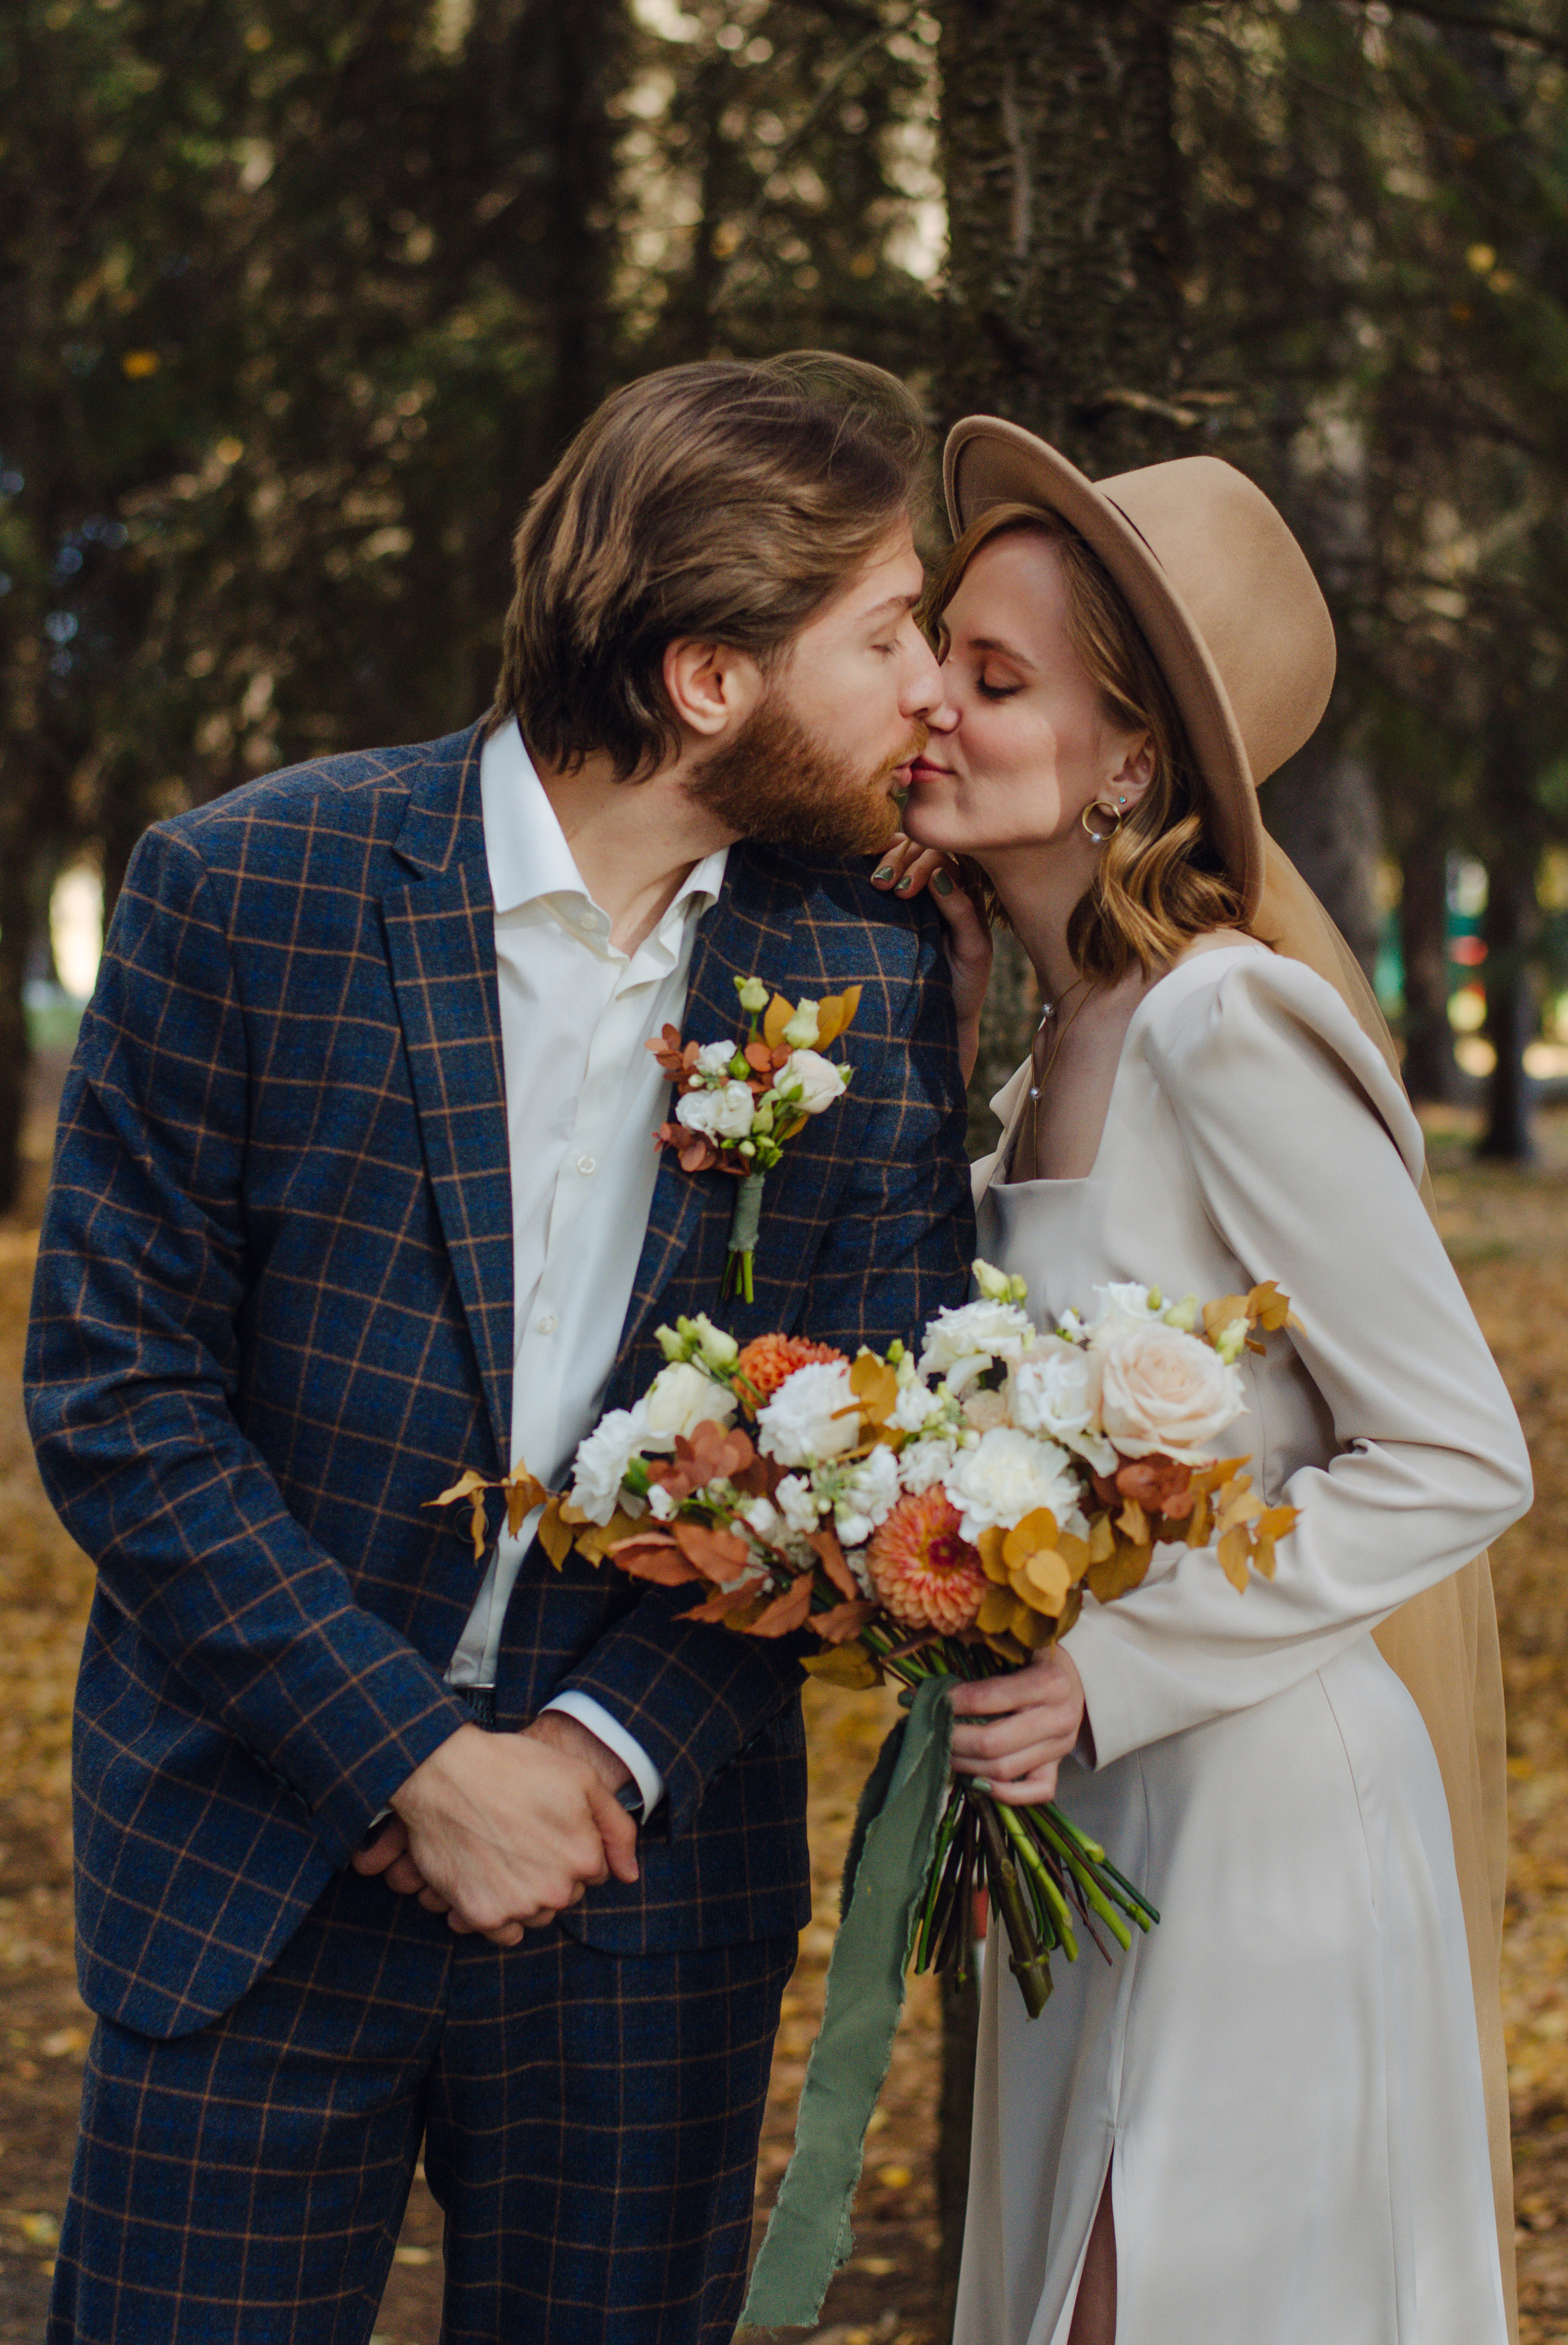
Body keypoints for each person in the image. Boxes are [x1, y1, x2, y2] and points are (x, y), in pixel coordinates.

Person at [23, 352, 981, 2344]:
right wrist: (411, 1762)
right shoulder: (248, 894)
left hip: (639, 1894)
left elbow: (857, 1447)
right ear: (710, 676)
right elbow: (122, 1402)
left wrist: (580, 1750)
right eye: (889, 631)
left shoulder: (868, 972)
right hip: (254, 1862)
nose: (930, 688)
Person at [877, 419, 1531, 2345]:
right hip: (1092, 1819)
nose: (935, 702)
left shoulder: (1223, 1021)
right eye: (939, 652)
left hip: (1256, 1819)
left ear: (1133, 761)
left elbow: (1456, 1451)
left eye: (999, 680)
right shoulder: (1049, 1041)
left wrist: (1114, 1672)